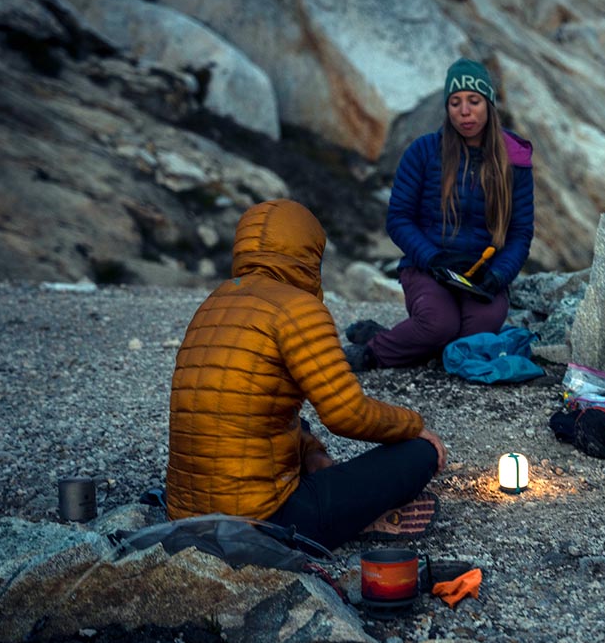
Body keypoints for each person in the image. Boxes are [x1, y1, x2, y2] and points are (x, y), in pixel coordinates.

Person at [167, 199, 447, 550]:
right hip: (265, 522)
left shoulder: (214, 302)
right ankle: (361, 521)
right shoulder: (299, 308)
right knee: (417, 454)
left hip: (185, 515)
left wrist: (312, 452)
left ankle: (315, 471)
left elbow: (244, 406)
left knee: (294, 423)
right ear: (308, 253)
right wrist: (413, 424)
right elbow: (347, 415)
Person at [344, 57, 535, 370]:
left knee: (476, 333)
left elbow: (520, 232)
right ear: (447, 107)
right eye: (455, 102)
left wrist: (498, 275)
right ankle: (373, 351)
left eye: (474, 101)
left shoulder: (515, 163)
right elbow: (399, 218)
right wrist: (432, 258)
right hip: (427, 268)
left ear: (488, 104)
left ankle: (395, 338)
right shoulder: (423, 152)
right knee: (439, 325)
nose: (464, 111)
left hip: (481, 275)